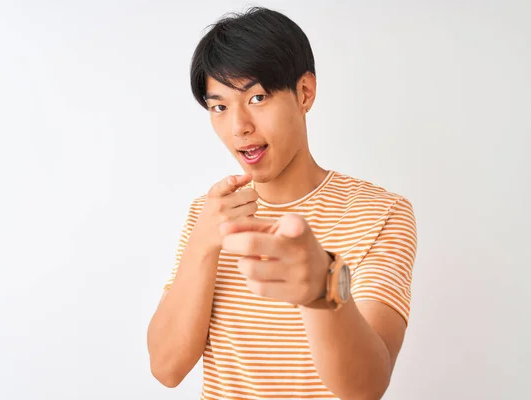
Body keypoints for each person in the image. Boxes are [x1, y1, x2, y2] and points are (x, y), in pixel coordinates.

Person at [147, 6, 417, 400]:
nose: (238, 126)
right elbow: (166, 368)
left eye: (257, 97)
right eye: (219, 106)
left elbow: (367, 387)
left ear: (304, 92)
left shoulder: (380, 212)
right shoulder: (208, 213)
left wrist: (323, 288)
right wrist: (203, 245)